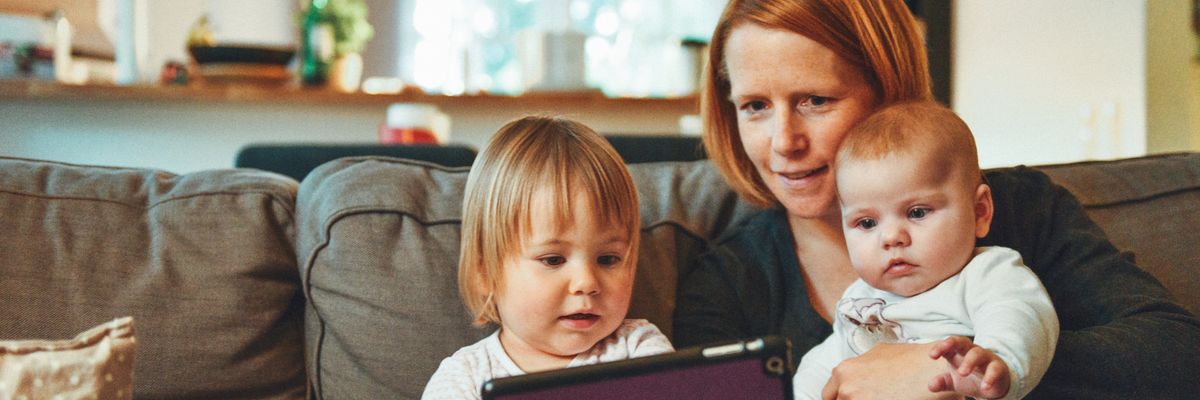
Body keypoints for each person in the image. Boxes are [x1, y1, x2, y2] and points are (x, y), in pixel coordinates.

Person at [672, 1, 1200, 398]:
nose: (784, 142)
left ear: (889, 91)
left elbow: (1177, 352)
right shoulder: (726, 283)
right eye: (756, 106)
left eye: (816, 100)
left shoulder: (1021, 209)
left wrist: (956, 369)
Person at [793, 101, 1058, 400]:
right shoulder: (860, 298)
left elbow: (1019, 317)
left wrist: (998, 366)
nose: (891, 237)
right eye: (867, 222)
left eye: (917, 213)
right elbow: (825, 364)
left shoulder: (987, 274)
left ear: (980, 212)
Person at [422, 116, 673, 399]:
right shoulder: (464, 377)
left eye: (607, 259)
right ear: (485, 272)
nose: (586, 282)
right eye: (553, 260)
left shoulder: (639, 350)